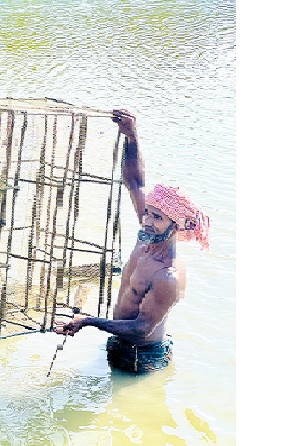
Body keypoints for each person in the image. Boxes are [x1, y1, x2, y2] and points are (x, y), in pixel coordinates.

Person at [54, 109, 210, 373]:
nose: (146, 219)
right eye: (147, 213)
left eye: (156, 217)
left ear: (176, 227)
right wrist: (132, 136)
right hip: (121, 342)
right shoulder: (148, 233)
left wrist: (89, 321)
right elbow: (135, 182)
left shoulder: (169, 275)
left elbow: (141, 329)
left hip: (143, 356)